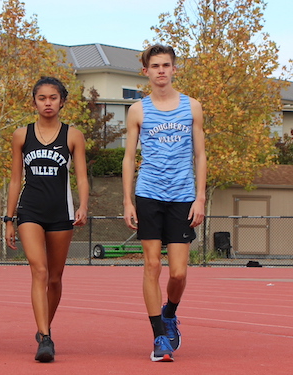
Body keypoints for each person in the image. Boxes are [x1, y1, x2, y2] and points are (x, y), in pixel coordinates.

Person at [122, 44, 207, 362]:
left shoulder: (192, 107)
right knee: (152, 265)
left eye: (166, 65)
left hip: (183, 197)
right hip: (149, 194)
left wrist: (200, 198)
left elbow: (200, 155)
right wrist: (128, 201)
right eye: (154, 66)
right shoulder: (138, 110)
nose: (160, 70)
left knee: (179, 273)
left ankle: (169, 312)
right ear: (145, 72)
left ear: (174, 69)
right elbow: (129, 157)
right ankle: (159, 336)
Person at [5, 76, 89, 363]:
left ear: (62, 101)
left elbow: (81, 177)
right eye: (42, 98)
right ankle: (46, 338)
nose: (48, 103)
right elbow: (16, 179)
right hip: (30, 212)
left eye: (53, 97)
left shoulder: (73, 135)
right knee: (38, 270)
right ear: (34, 102)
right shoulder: (21, 135)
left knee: (54, 278)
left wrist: (83, 206)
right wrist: (9, 217)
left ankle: (44, 327)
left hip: (61, 214)